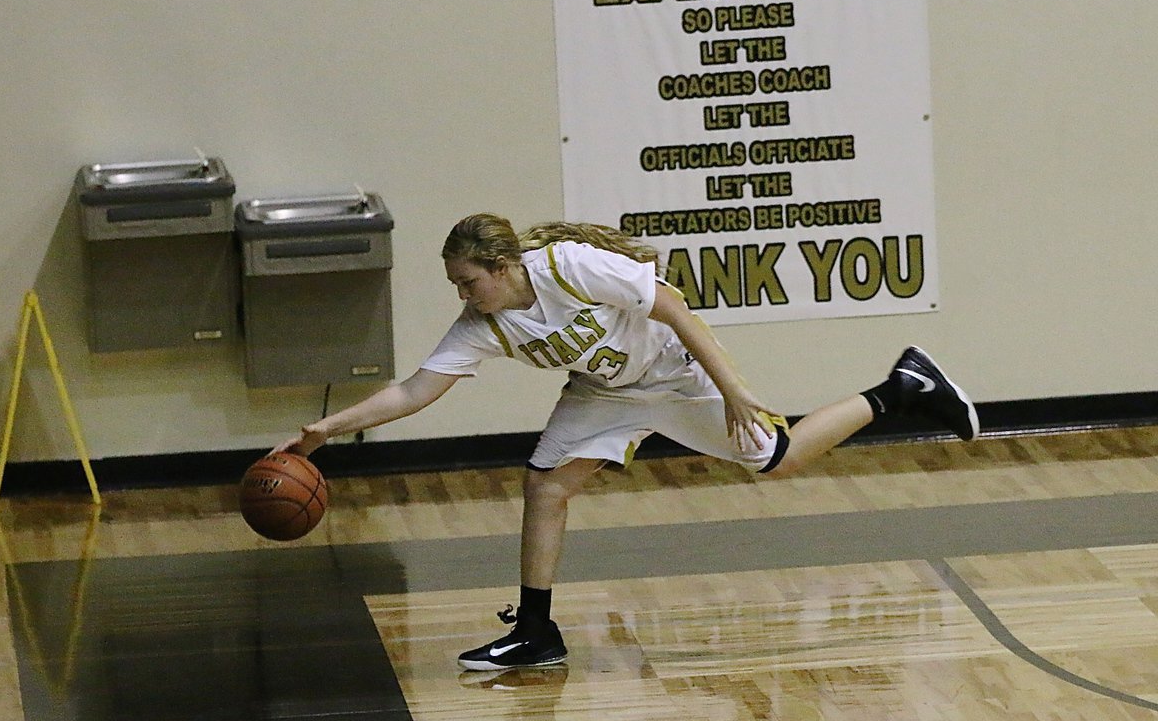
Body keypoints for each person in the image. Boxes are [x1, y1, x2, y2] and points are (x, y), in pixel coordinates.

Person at [274, 213, 979, 672]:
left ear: (503, 266)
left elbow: (672, 304)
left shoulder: (567, 266)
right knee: (546, 483)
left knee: (777, 458)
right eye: (458, 285)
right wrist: (325, 433)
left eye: (468, 281)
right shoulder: (485, 324)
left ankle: (904, 389)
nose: (463, 295)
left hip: (673, 372)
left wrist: (731, 388)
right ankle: (537, 631)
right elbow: (416, 389)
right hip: (606, 392)